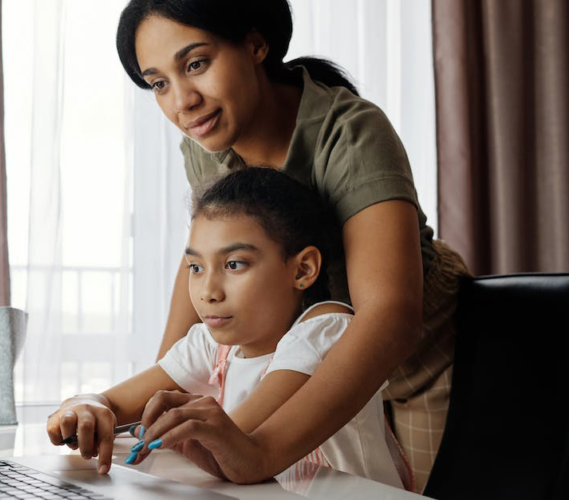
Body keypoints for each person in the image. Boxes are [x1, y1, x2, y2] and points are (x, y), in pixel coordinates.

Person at [112, 0, 471, 492]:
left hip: (416, 364)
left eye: (195, 64)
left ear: (257, 44)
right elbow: (201, 259)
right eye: (158, 83)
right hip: (301, 366)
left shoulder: (350, 133)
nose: (182, 101)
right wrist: (153, 406)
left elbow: (389, 314)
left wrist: (258, 451)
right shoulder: (204, 142)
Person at [47, 167, 412, 490]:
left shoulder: (326, 330)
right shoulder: (213, 345)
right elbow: (113, 402)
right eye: (196, 267)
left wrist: (170, 428)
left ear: (302, 270)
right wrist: (85, 407)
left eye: (235, 264)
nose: (208, 292)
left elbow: (237, 443)